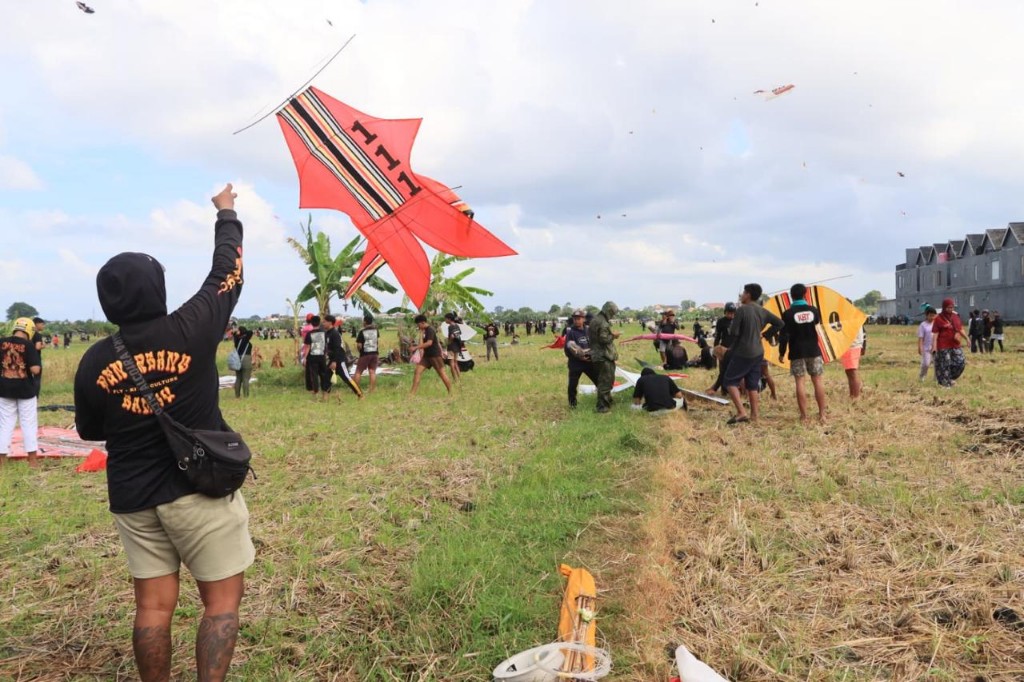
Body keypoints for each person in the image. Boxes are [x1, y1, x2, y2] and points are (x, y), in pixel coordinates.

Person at [73, 184, 254, 682]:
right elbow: (228, 272)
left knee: (152, 608)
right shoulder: (192, 327)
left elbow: (89, 429)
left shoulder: (94, 361)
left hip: (133, 495)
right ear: (159, 290)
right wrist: (227, 213)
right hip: (197, 488)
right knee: (220, 603)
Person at [722, 284, 782, 424]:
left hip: (743, 351)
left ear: (748, 295)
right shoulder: (762, 311)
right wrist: (765, 334)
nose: (741, 295)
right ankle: (754, 416)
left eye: (743, 292)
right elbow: (780, 323)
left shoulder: (742, 310)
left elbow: (733, 332)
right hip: (758, 352)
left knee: (729, 381)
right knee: (752, 384)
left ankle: (741, 412)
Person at [778, 283, 827, 423]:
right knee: (817, 380)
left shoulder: (787, 314)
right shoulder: (813, 310)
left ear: (791, 296)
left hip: (796, 351)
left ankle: (804, 417)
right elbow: (817, 322)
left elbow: (784, 336)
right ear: (805, 294)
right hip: (813, 350)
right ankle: (822, 415)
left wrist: (781, 353)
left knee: (800, 382)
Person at [0, 318, 42, 468]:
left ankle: (1, 462)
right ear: (29, 330)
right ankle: (32, 461)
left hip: (4, 389)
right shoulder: (28, 345)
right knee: (28, 424)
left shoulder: (1, 342)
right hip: (25, 390)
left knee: (5, 424)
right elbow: (35, 369)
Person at [589, 301, 621, 413]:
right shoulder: (603, 323)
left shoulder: (595, 320)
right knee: (606, 381)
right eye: (612, 313)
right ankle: (602, 407)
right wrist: (614, 336)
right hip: (604, 356)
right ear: (608, 311)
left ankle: (608, 400)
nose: (613, 315)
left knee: (604, 379)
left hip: (597, 355)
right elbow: (603, 339)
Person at [410, 314, 452, 395]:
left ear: (423, 322)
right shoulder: (424, 330)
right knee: (417, 372)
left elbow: (429, 343)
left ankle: (451, 392)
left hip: (434, 355)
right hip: (426, 356)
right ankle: (412, 394)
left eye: (418, 325)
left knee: (442, 373)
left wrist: (415, 348)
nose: (418, 326)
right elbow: (422, 344)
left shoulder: (430, 330)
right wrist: (421, 334)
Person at [564, 309, 598, 408]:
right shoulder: (570, 332)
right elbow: (568, 349)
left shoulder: (588, 330)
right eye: (574, 319)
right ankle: (572, 404)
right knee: (572, 386)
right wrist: (580, 357)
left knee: (599, 381)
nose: (576, 321)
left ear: (583, 319)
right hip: (575, 364)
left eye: (579, 318)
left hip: (589, 362)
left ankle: (603, 400)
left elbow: (594, 344)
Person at [932, 297, 968, 388]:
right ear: (944, 307)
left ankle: (949, 378)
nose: (950, 309)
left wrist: (967, 339)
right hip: (943, 345)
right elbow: (935, 334)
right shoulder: (938, 319)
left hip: (955, 344)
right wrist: (934, 346)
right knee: (945, 363)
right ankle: (945, 384)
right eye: (948, 307)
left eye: (952, 307)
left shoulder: (956, 317)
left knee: (961, 361)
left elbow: (960, 329)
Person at [324, 315, 361, 400]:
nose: (323, 323)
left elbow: (337, 348)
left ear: (330, 322)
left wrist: (334, 361)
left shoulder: (335, 333)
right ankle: (325, 398)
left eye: (324, 322)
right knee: (326, 378)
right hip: (332, 360)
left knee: (347, 378)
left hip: (339, 360)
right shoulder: (327, 333)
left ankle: (360, 394)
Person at [706, 302, 736, 395]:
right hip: (723, 348)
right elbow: (718, 336)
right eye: (729, 313)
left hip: (734, 349)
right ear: (725, 312)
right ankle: (724, 389)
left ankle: (730, 388)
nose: (731, 315)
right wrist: (716, 349)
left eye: (732, 313)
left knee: (732, 371)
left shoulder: (737, 321)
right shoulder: (721, 321)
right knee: (723, 370)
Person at [303, 316, 329, 401]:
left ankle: (315, 396)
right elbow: (326, 345)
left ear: (311, 323)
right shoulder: (325, 333)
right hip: (322, 357)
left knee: (313, 376)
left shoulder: (309, 334)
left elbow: (307, 347)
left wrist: (305, 358)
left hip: (312, 357)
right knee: (323, 375)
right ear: (319, 322)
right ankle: (325, 395)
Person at [354, 313, 380, 392]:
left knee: (358, 372)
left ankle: (356, 389)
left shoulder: (362, 331)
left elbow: (359, 345)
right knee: (372, 372)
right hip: (375, 353)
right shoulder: (376, 331)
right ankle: (372, 389)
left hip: (365, 354)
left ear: (365, 322)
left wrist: (360, 352)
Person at [840, 324, 866, 399]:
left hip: (853, 342)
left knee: (852, 371)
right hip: (848, 340)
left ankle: (855, 397)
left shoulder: (854, 313)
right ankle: (852, 395)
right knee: (849, 371)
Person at [231, 326, 254, 398]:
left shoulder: (236, 339)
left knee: (238, 378)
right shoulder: (245, 339)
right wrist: (242, 332)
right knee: (246, 378)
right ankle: (246, 396)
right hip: (246, 359)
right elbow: (250, 332)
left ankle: (237, 396)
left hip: (237, 359)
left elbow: (234, 334)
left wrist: (236, 333)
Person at [917, 306, 937, 380]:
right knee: (926, 364)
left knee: (937, 364)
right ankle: (922, 376)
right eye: (930, 315)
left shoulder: (936, 324)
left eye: (933, 315)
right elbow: (921, 337)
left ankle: (936, 378)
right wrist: (920, 347)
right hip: (926, 347)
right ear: (926, 315)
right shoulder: (923, 325)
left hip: (936, 347)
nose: (932, 317)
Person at [444, 312, 462, 382]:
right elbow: (459, 333)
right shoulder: (457, 325)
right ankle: (459, 378)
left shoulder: (450, 326)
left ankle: (455, 379)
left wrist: (449, 342)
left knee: (451, 363)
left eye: (445, 319)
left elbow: (452, 336)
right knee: (456, 362)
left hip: (451, 346)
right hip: (457, 346)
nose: (445, 320)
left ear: (449, 319)